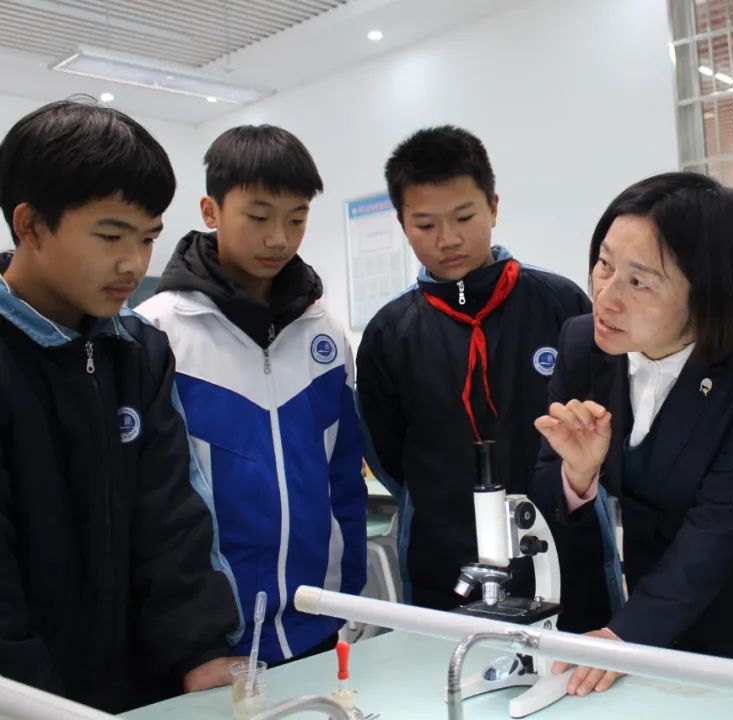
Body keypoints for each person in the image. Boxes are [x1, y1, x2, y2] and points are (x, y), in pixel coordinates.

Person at [0, 99, 240, 712]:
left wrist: (202, 649)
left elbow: (173, 514)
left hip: (143, 693)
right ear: (29, 225)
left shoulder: (137, 350)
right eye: (110, 235)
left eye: (148, 238)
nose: (134, 263)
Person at [531, 172, 733, 697]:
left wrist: (625, 635)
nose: (606, 298)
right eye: (604, 265)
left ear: (707, 296)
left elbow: (718, 529)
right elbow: (548, 488)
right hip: (651, 606)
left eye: (639, 282)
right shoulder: (584, 345)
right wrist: (578, 472)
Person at [137, 125, 366, 665]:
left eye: (297, 219)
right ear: (211, 210)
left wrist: (351, 604)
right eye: (258, 217)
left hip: (321, 628)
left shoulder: (325, 337)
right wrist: (187, 643)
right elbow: (150, 513)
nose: (279, 239)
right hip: (214, 647)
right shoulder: (156, 335)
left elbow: (343, 484)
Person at [356, 125, 591, 615]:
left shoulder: (560, 305)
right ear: (402, 223)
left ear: (494, 206)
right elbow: (386, 456)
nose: (449, 239)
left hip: (566, 552)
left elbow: (599, 419)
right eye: (425, 225)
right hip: (443, 565)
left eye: (464, 216)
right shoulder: (391, 333)